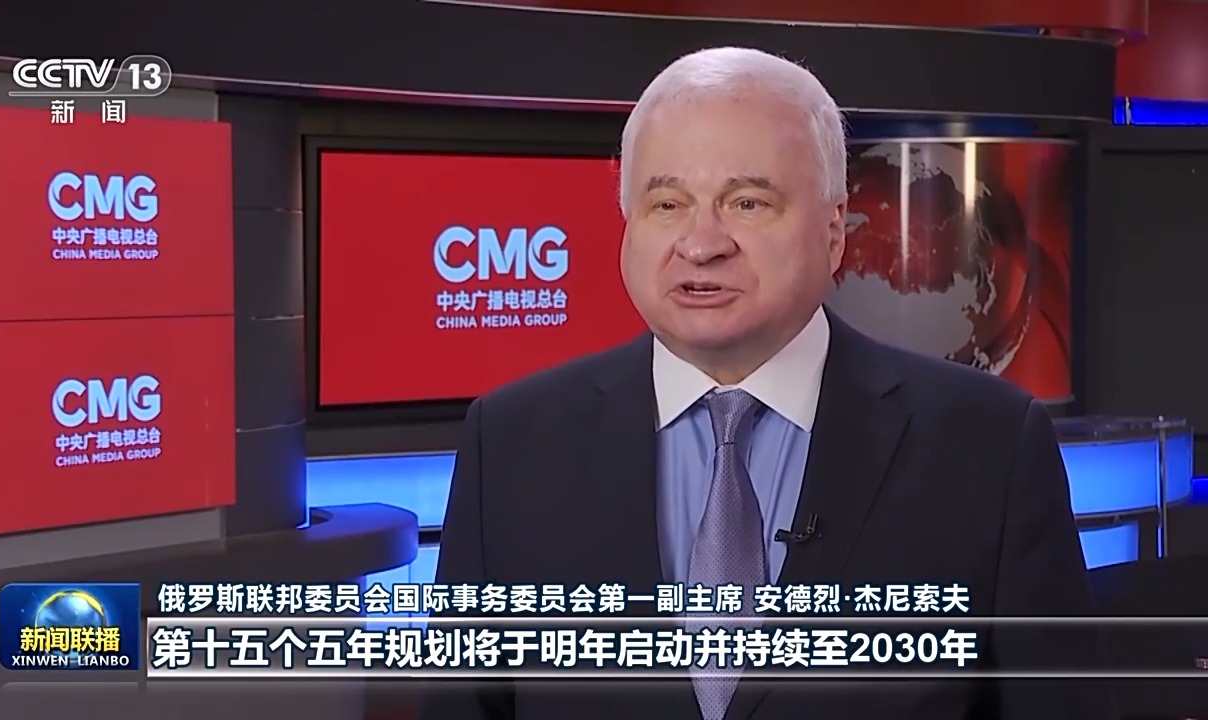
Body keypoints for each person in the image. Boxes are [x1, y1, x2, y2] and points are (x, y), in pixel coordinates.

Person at [421, 47, 1115, 720]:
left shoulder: (988, 447)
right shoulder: (508, 447)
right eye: (666, 205)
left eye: (747, 203)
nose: (701, 244)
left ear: (835, 232)